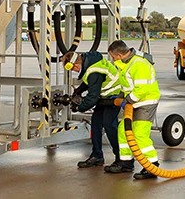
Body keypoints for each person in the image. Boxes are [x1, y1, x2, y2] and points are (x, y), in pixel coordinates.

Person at [63, 50, 127, 170]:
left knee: (109, 125)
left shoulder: (94, 71)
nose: (74, 71)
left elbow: (92, 98)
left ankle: (122, 159)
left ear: (76, 65)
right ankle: (97, 156)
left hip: (114, 96)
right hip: (104, 97)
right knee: (96, 124)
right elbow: (89, 82)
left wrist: (79, 108)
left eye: (73, 69)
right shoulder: (89, 64)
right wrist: (78, 91)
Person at [106, 40, 161, 179]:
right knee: (123, 130)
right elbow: (126, 85)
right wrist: (120, 96)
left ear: (118, 55)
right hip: (133, 102)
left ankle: (152, 166)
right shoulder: (125, 64)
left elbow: (142, 89)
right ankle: (126, 162)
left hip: (145, 102)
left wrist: (127, 101)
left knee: (139, 134)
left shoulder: (139, 64)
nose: (112, 60)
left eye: (113, 57)